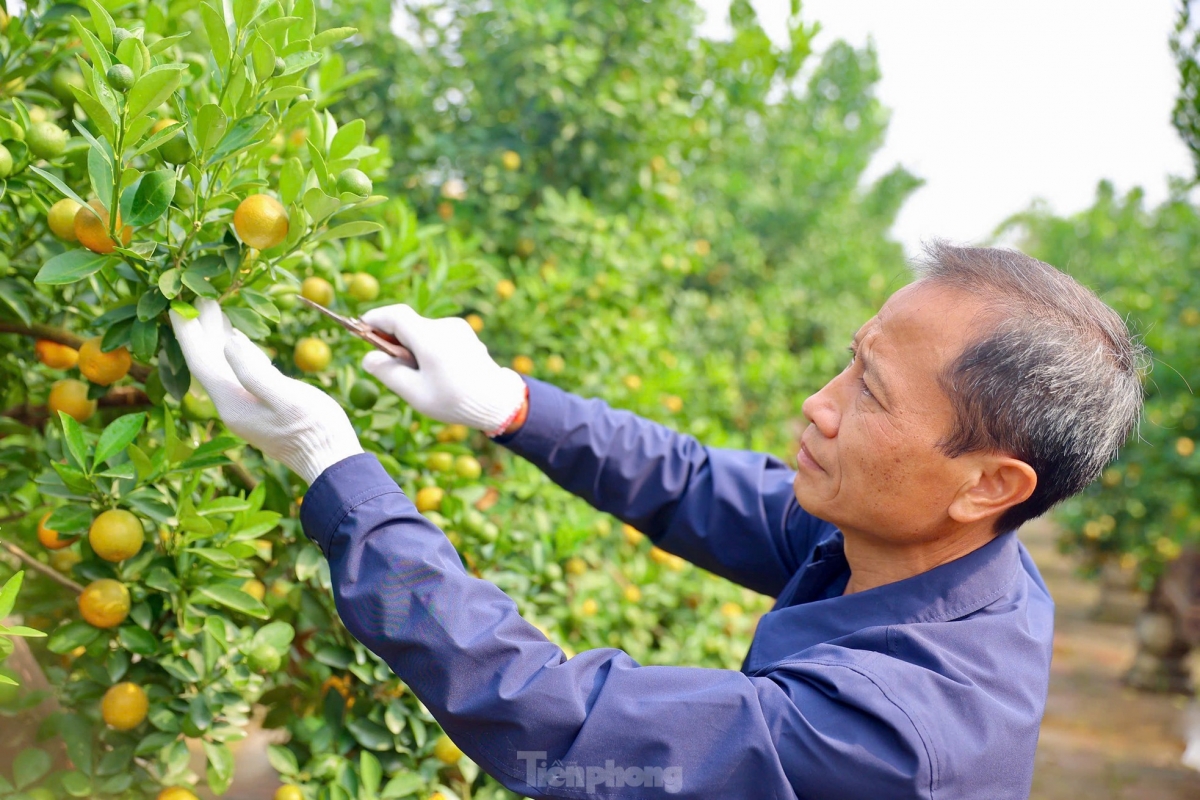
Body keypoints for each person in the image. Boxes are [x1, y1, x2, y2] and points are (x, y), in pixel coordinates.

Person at [169, 242, 1145, 799]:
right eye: (850, 358)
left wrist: (331, 464)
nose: (820, 401)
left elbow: (560, 718)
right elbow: (692, 485)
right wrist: (508, 399)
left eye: (875, 394)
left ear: (988, 483)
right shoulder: (943, 554)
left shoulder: (890, 741)